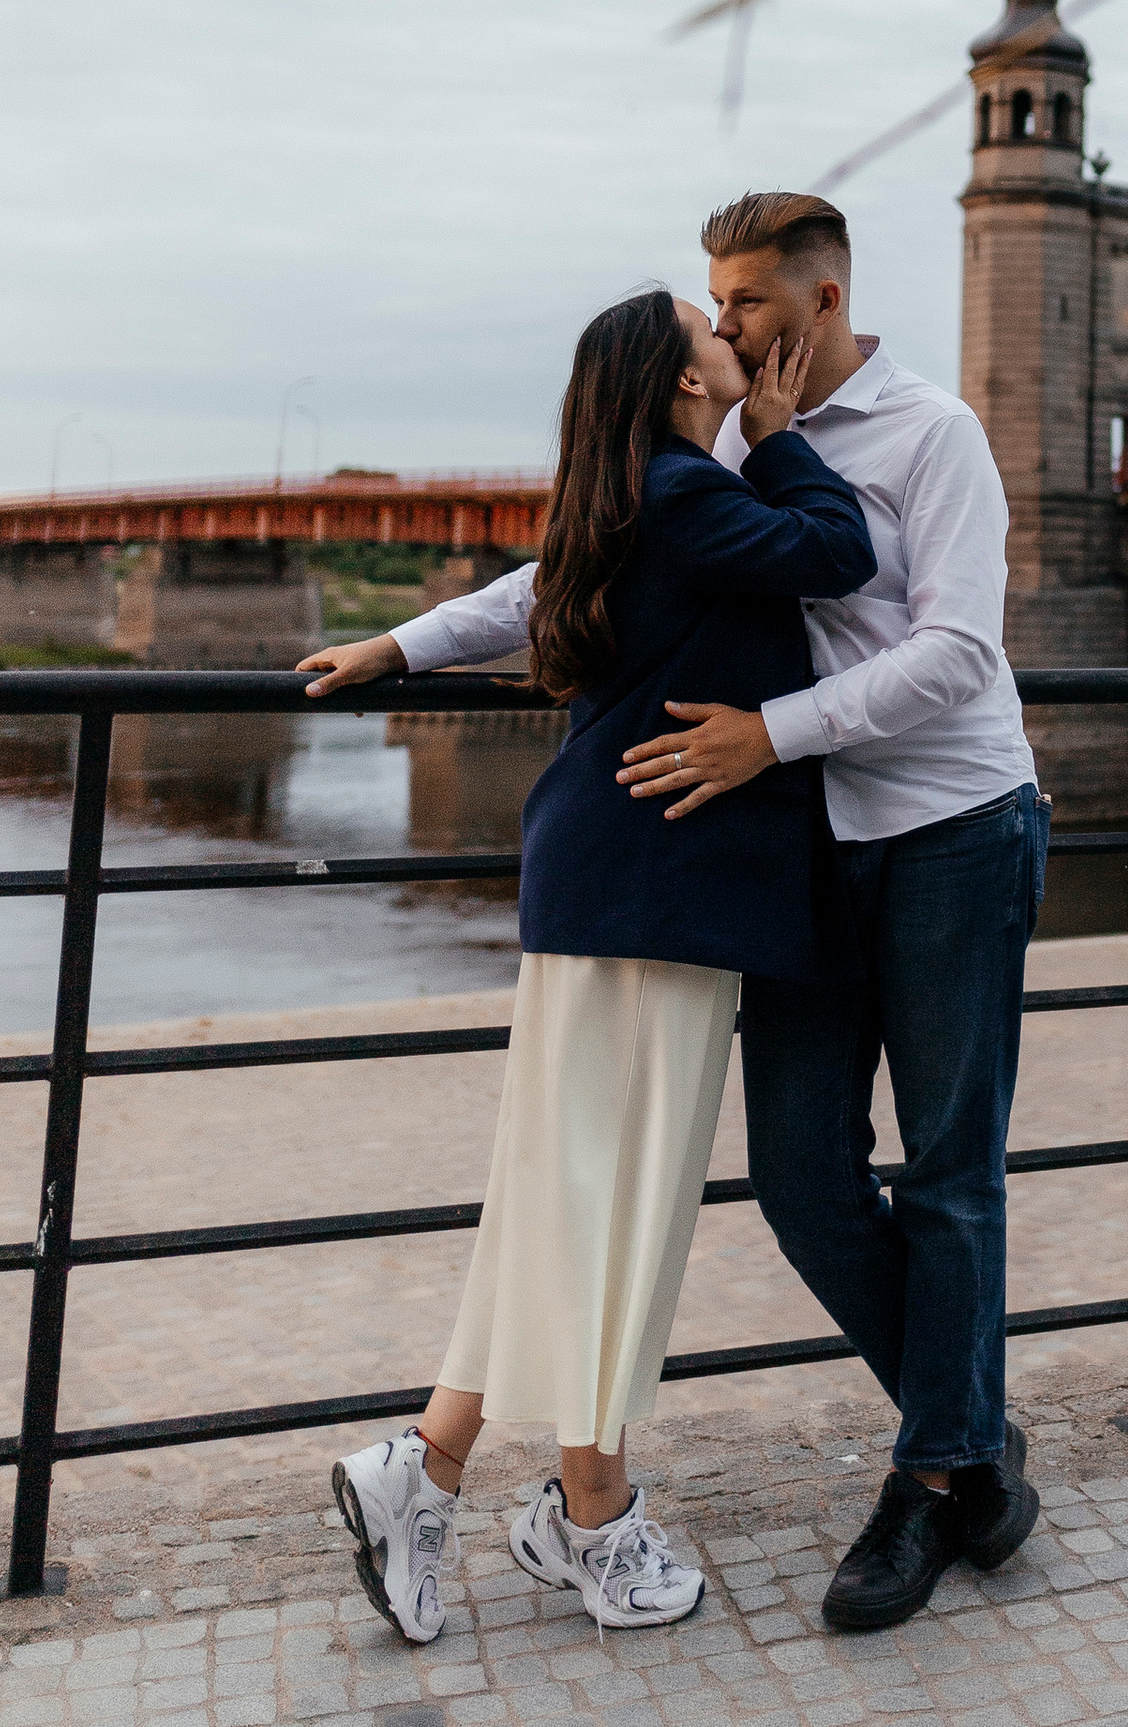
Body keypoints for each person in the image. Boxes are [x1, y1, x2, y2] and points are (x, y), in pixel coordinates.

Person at [302, 191, 1048, 1635]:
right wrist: (408, 638)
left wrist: (770, 732)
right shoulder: (719, 449)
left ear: (818, 304)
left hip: (951, 827)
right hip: (809, 853)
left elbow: (959, 651)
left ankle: (936, 1474)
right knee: (802, 1180)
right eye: (714, 305)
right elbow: (584, 563)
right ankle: (960, 1430)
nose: (725, 325)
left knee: (952, 1176)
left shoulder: (931, 436)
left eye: (748, 304)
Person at [314, 288, 873, 1647]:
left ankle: (438, 1469)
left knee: (573, 1197)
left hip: (621, 884)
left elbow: (527, 600)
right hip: (656, 890)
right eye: (717, 342)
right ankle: (590, 1507)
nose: (740, 344)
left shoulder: (632, 493)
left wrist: (401, 640)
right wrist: (783, 431)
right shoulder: (692, 493)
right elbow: (841, 550)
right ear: (690, 386)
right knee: (616, 1203)